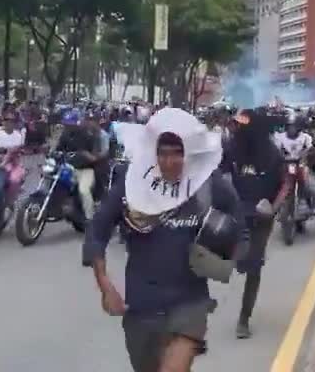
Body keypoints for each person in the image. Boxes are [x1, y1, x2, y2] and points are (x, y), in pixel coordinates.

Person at [83, 108, 242, 372]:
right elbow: (97, 231)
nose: (170, 162)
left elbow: (238, 221)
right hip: (142, 305)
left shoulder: (207, 183)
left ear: (188, 153)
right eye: (163, 154)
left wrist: (227, 250)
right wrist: (105, 286)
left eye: (177, 153)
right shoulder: (131, 185)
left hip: (189, 302)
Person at [223, 109, 288, 339]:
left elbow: (285, 184)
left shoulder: (272, 153)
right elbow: (219, 174)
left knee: (254, 267)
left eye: (243, 126)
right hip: (238, 214)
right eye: (237, 125)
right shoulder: (231, 148)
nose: (238, 129)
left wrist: (274, 208)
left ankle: (244, 318)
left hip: (262, 217)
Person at [55, 109, 100, 221]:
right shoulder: (65, 134)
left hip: (85, 170)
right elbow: (58, 149)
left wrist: (86, 155)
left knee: (84, 190)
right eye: (66, 124)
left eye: (70, 124)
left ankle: (91, 219)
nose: (67, 126)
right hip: (68, 168)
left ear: (76, 123)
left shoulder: (87, 135)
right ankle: (55, 207)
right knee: (54, 181)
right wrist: (53, 152)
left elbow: (95, 156)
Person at [273, 116, 315, 213]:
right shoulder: (279, 137)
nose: (292, 129)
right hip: (287, 166)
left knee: (311, 188)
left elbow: (312, 151)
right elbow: (275, 152)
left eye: (294, 126)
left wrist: (308, 156)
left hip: (302, 165)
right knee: (280, 186)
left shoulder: (305, 138)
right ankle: (275, 209)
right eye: (290, 126)